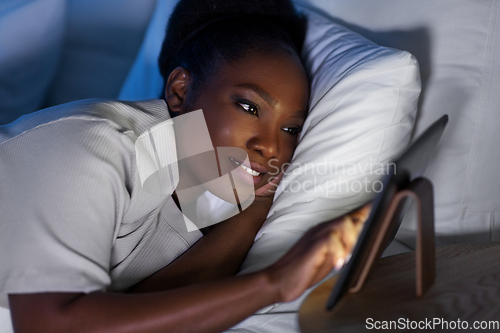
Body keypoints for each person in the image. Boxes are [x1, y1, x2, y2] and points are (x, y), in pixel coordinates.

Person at [1, 0, 364, 332]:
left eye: (290, 129)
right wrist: (274, 283)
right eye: (249, 107)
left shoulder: (204, 193)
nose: (270, 146)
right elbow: (48, 324)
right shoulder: (92, 146)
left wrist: (259, 204)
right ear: (179, 92)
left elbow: (151, 311)